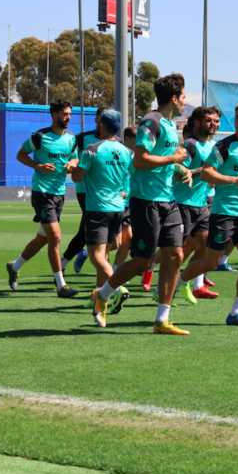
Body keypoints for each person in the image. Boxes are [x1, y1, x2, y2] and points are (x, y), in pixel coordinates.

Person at [91, 73, 192, 335]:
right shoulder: (151, 121)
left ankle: (162, 320)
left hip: (167, 201)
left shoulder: (170, 126)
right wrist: (173, 158)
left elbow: (165, 160)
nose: (185, 102)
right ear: (173, 98)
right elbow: (140, 160)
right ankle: (102, 295)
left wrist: (181, 168)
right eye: (183, 97)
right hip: (146, 202)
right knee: (143, 262)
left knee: (176, 256)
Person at [176, 103, 238, 326]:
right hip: (223, 214)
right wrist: (233, 180)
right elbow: (208, 173)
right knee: (210, 263)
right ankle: (176, 284)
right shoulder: (224, 146)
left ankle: (236, 313)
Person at [6, 99, 79, 298]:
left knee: (43, 238)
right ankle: (60, 285)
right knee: (55, 236)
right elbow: (21, 155)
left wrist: (73, 162)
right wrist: (38, 166)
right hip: (42, 192)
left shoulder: (72, 138)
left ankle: (15, 266)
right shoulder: (39, 136)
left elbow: (76, 156)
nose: (68, 117)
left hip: (59, 193)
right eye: (65, 114)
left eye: (70, 114)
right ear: (54, 115)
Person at [71, 109, 133, 327]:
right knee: (104, 255)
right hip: (118, 208)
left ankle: (117, 288)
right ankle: (100, 305)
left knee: (97, 256)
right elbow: (131, 173)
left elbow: (77, 176)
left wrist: (75, 166)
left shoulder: (92, 149)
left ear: (101, 126)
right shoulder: (126, 151)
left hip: (97, 208)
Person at [172, 106, 221, 299]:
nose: (213, 124)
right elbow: (177, 173)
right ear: (197, 123)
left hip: (201, 205)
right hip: (183, 204)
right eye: (209, 120)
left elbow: (213, 171)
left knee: (206, 250)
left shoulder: (212, 146)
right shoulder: (190, 145)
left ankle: (184, 282)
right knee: (176, 253)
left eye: (216, 121)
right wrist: (193, 172)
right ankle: (160, 284)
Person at [61, 106, 109, 274]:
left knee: (90, 230)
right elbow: (71, 155)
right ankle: (106, 276)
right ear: (96, 120)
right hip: (85, 189)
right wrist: (72, 164)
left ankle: (78, 257)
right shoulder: (82, 138)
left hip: (109, 193)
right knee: (89, 229)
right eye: (102, 117)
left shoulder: (116, 141)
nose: (104, 121)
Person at [111, 126, 137, 269]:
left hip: (128, 203)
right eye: (137, 139)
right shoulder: (117, 153)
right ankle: (88, 253)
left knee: (128, 241)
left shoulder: (135, 156)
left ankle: (115, 272)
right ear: (127, 139)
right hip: (114, 201)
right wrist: (119, 191)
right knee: (115, 243)